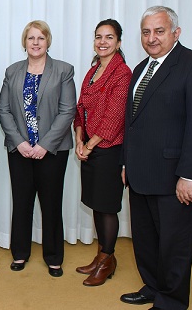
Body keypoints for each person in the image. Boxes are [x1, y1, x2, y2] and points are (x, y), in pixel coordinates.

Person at [120, 6, 192, 310]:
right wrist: (127, 163)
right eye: (146, 31)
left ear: (176, 33)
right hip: (140, 174)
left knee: (174, 245)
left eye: (159, 31)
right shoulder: (140, 69)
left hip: (176, 177)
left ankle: (172, 302)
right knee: (147, 241)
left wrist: (189, 175)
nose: (151, 38)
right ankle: (153, 286)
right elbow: (133, 123)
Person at [0, 20, 76, 277]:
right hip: (19, 150)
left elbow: (67, 111)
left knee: (51, 203)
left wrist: (44, 145)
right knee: (22, 202)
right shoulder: (13, 71)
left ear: (48, 41)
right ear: (24, 42)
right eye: (31, 38)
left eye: (40, 38)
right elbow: (3, 109)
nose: (35, 42)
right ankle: (19, 253)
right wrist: (19, 142)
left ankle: (53, 257)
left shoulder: (63, 70)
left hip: (52, 151)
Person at [72, 19, 132, 286]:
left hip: (108, 149)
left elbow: (114, 117)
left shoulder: (122, 73)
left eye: (109, 37)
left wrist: (90, 144)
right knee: (96, 204)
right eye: (98, 37)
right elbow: (80, 107)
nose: (102, 42)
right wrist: (78, 138)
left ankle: (107, 260)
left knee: (107, 207)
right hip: (89, 147)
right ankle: (101, 256)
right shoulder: (93, 69)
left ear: (118, 42)